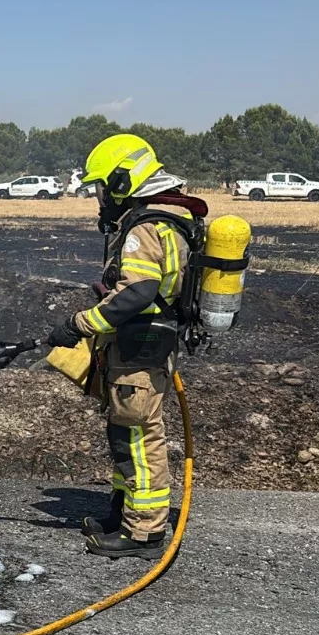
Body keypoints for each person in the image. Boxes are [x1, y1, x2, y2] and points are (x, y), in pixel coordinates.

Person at [45, 134, 209, 560]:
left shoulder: (144, 228)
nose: (101, 197)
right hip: (143, 344)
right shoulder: (168, 218)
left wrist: (80, 324)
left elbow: (136, 293)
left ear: (121, 181)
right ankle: (123, 513)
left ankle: (144, 533)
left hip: (139, 345)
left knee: (138, 436)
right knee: (124, 431)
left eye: (103, 187)